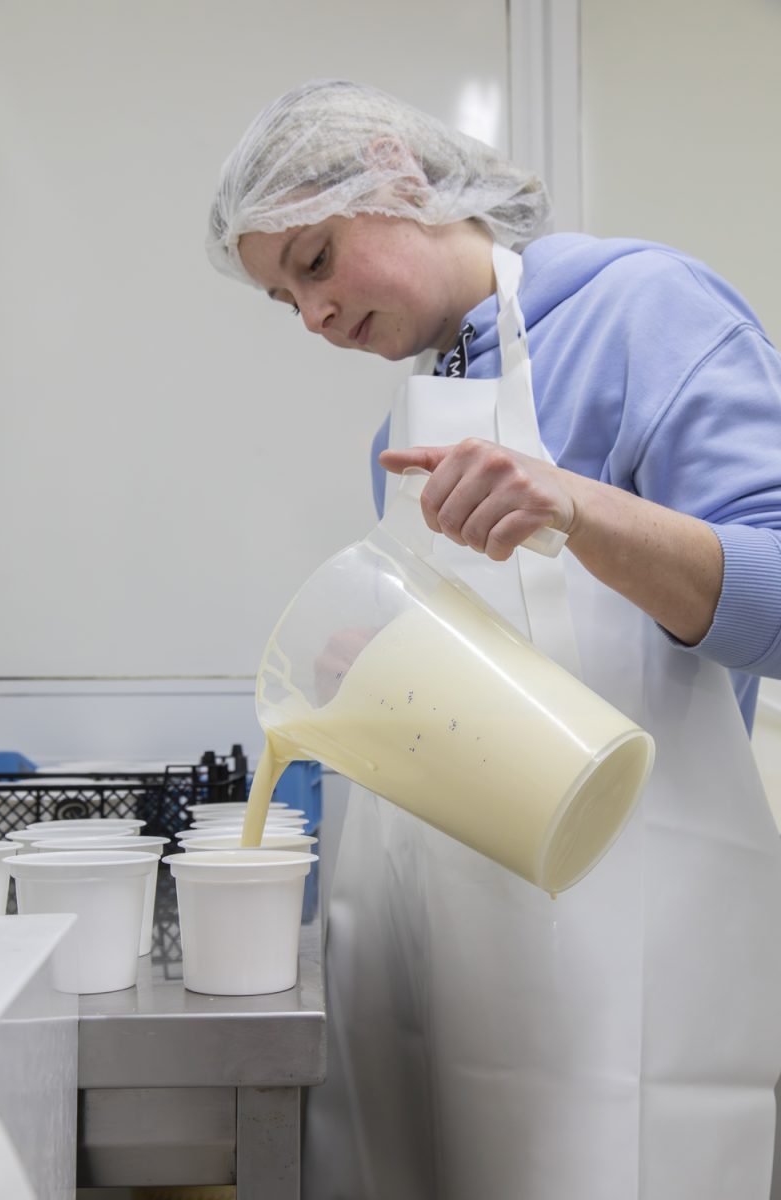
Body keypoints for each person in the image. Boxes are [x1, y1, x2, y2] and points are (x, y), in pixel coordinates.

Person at [206, 79, 781, 1200]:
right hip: (464, 971)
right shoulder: (408, 420)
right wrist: (379, 678)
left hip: (625, 952)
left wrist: (578, 508)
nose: (313, 316)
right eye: (285, 300)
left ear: (396, 173)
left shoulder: (643, 312)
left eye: (316, 261)